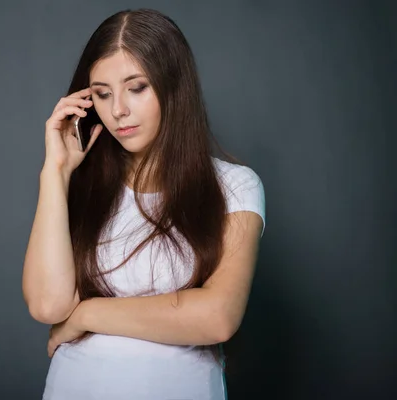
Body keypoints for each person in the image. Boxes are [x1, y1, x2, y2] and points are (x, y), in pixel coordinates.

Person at [22, 8, 266, 400]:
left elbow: (217, 317)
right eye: (102, 93)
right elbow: (49, 306)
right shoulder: (82, 185)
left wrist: (86, 315)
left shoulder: (233, 186)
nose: (118, 109)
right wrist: (56, 171)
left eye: (136, 88)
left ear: (173, 87)